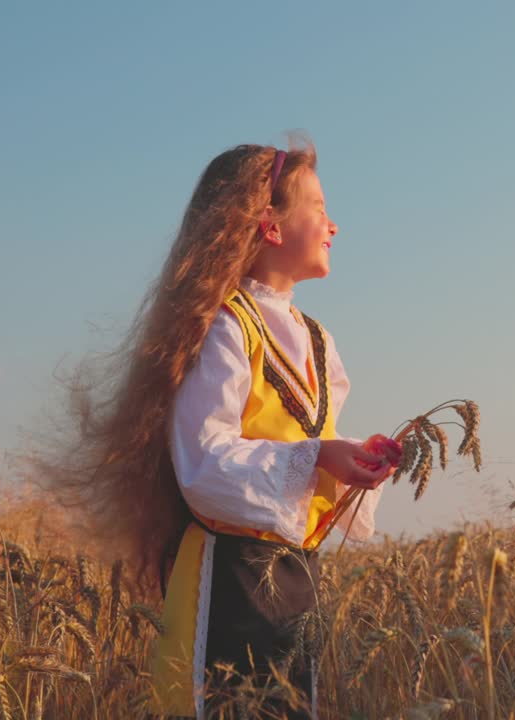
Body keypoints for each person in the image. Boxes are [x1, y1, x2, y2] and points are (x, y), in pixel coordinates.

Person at [49, 139, 401, 719]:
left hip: (296, 580)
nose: (333, 223)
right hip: (226, 578)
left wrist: (354, 463)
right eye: (316, 206)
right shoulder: (224, 328)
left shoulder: (319, 342)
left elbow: (312, 446)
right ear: (268, 224)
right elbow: (203, 461)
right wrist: (318, 457)